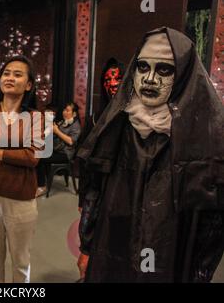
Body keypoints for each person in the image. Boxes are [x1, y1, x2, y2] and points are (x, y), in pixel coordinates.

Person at [77, 27, 224, 282]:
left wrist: (200, 271)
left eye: (164, 69)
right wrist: (87, 246)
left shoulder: (203, 136)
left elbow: (214, 216)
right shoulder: (116, 126)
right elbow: (94, 190)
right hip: (112, 247)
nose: (149, 79)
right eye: (143, 67)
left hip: (171, 256)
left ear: (183, 75)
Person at [0, 55, 43, 283]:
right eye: (6, 73)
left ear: (29, 84)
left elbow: (33, 156)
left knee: (20, 261)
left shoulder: (36, 117)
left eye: (18, 74)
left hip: (20, 197)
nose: (10, 77)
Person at [76, 58, 124, 277]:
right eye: (108, 79)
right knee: (90, 258)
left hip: (124, 196)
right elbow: (85, 165)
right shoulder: (96, 120)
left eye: (118, 78)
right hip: (98, 193)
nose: (113, 83)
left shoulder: (136, 120)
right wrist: (82, 198)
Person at [35, 102, 81, 197]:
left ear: (74, 113)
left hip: (65, 154)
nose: (64, 112)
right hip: (56, 150)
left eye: (67, 110)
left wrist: (57, 131)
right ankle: (39, 182)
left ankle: (42, 186)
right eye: (64, 110)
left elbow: (71, 141)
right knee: (36, 152)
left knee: (39, 158)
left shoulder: (76, 126)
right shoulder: (63, 122)